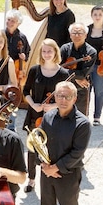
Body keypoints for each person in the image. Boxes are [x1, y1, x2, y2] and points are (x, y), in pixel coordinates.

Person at [31, 81, 91, 205]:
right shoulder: (48, 116)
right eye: (59, 96)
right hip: (47, 172)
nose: (63, 100)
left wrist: (56, 167)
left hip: (68, 175)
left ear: (75, 98)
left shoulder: (82, 124)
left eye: (67, 96)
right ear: (54, 97)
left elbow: (77, 153)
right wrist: (44, 165)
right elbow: (40, 142)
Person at [22, 39, 70, 193]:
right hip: (34, 113)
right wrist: (33, 104)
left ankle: (49, 175)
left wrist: (54, 106)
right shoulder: (35, 70)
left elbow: (66, 96)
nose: (47, 54)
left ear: (56, 52)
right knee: (32, 147)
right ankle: (31, 179)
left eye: (50, 51)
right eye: (44, 51)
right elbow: (25, 91)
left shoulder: (63, 73)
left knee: (49, 147)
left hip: (53, 116)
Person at [59, 23, 96, 115]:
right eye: (74, 33)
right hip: (65, 87)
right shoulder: (64, 48)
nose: (77, 35)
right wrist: (76, 77)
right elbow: (58, 69)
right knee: (63, 114)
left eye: (80, 33)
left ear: (85, 35)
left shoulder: (91, 52)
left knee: (80, 116)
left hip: (81, 88)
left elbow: (83, 73)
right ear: (70, 35)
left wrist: (76, 76)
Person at [4, 8, 30, 85]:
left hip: (15, 70)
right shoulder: (1, 34)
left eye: (13, 21)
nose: (9, 22)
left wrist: (24, 57)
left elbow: (27, 52)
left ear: (18, 23)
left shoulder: (22, 37)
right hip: (2, 67)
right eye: (8, 19)